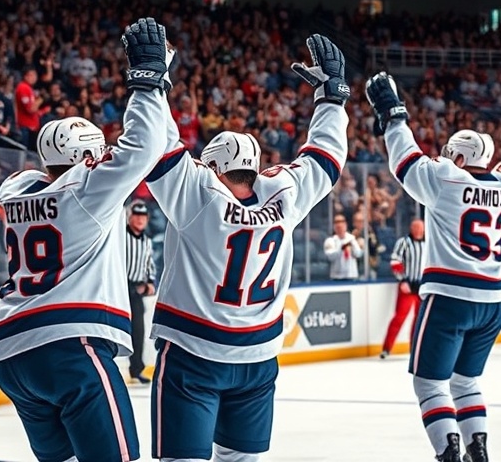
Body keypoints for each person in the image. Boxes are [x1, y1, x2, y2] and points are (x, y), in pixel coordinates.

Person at [145, 34, 349, 462]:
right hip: (258, 359)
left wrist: (152, 83)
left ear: (215, 167)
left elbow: (160, 146)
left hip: (194, 353)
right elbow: (326, 157)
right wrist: (331, 98)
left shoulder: (200, 196)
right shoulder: (284, 193)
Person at [0, 17, 172, 462]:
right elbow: (144, 148)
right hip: (71, 346)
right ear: (87, 159)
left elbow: (44, 179)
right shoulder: (85, 191)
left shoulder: (16, 190)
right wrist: (148, 81)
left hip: (12, 353)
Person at [368, 71, 501, 462]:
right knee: (467, 380)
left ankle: (449, 453)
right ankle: (479, 450)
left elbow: (404, 159)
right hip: (494, 301)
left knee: (430, 384)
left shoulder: (444, 178)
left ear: (457, 158)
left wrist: (392, 111)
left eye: (446, 154)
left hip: (448, 297)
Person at [380, 219, 425, 359]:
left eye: (420, 228)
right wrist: (402, 280)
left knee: (419, 320)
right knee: (399, 317)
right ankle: (387, 348)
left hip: (422, 286)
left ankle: (415, 349)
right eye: (415, 227)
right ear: (411, 228)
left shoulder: (428, 244)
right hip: (407, 285)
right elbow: (395, 261)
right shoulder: (403, 242)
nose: (418, 230)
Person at [125, 200, 156, 384]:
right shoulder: (121, 237)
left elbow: (149, 264)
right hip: (120, 288)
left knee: (138, 331)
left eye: (143, 216)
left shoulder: (146, 241)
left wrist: (150, 282)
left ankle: (136, 368)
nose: (139, 220)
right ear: (130, 217)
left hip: (136, 290)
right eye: (136, 215)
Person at [323, 214, 363, 280]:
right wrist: (341, 248)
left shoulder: (351, 239)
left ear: (345, 225)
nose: (339, 225)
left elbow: (358, 254)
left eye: (342, 222)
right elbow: (330, 257)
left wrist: (353, 246)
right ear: (334, 226)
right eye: (337, 223)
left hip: (351, 276)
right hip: (337, 277)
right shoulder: (330, 241)